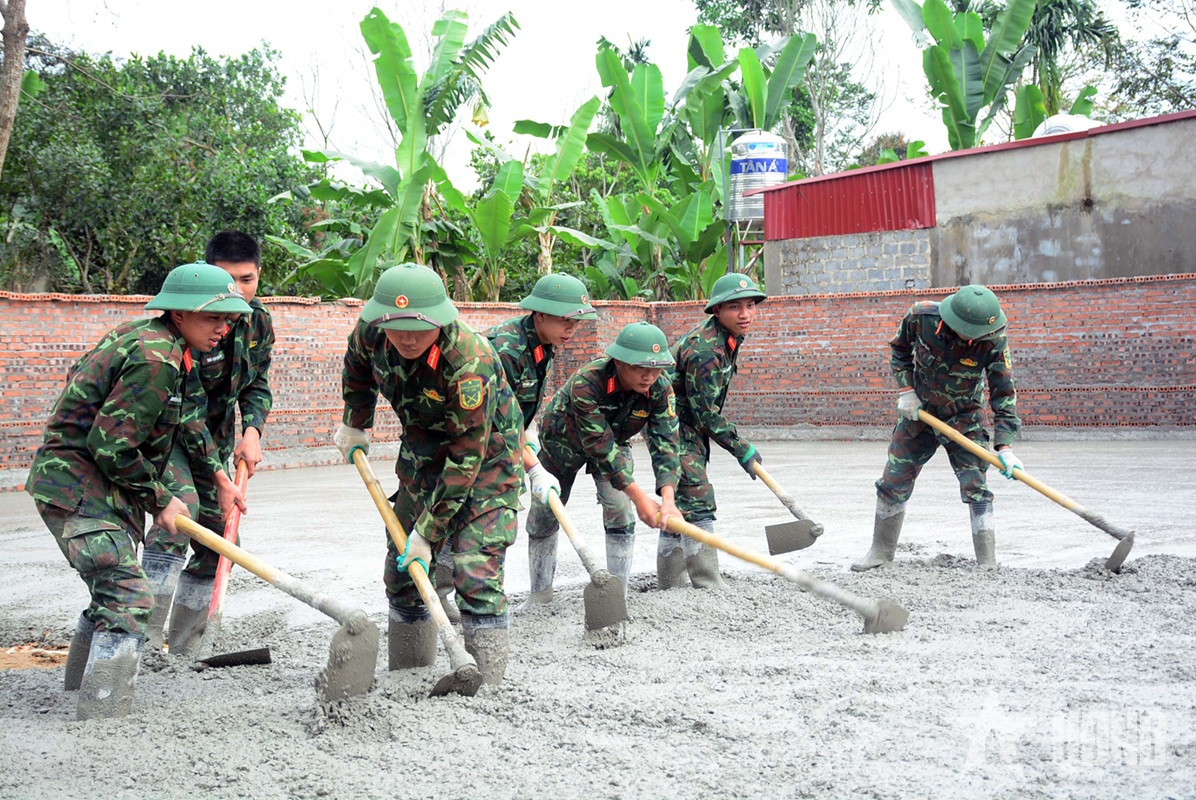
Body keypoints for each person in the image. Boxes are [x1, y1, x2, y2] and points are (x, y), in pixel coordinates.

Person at [26, 262, 251, 720]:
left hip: (95, 485)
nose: (223, 330)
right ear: (181, 314)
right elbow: (109, 445)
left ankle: (76, 693)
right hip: (75, 487)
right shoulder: (156, 359)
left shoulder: (164, 345)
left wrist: (219, 477)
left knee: (112, 589)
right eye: (214, 318)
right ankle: (102, 717)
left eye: (228, 320)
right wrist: (160, 498)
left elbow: (186, 420)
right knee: (128, 595)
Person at [333, 263, 523, 685]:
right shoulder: (370, 332)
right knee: (402, 571)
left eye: (419, 328)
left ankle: (485, 682)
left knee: (476, 568)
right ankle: (410, 670)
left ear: (441, 317)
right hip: (422, 450)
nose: (407, 338)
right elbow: (357, 368)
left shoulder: (468, 361)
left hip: (487, 459)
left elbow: (466, 458)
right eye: (397, 328)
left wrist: (428, 532)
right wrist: (356, 421)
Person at [142, 231, 275, 655]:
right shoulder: (192, 319)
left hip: (216, 437)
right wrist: (217, 474)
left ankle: (187, 647)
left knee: (219, 537)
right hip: (171, 433)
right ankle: (140, 640)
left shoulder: (259, 321)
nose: (237, 291)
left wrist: (252, 432)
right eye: (227, 279)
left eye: (247, 279)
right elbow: (186, 407)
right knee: (181, 515)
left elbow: (257, 383)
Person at [852, 284, 1022, 571]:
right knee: (893, 480)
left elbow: (1004, 393)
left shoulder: (993, 339)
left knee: (976, 486)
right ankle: (880, 550)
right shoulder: (922, 317)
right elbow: (899, 350)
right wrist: (906, 391)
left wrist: (1004, 447)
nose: (975, 339)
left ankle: (987, 561)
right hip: (920, 413)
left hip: (964, 417)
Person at [524, 322, 682, 604]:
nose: (649, 376)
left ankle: (616, 597)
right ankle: (540, 594)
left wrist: (667, 499)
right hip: (563, 443)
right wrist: (640, 497)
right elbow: (598, 443)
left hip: (615, 441)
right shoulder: (588, 381)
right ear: (619, 361)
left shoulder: (659, 388)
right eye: (639, 367)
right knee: (545, 511)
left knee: (621, 509)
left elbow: (666, 442)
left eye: (656, 368)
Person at [481, 273, 597, 615]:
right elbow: (495, 417)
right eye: (565, 320)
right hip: (474, 443)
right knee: (470, 517)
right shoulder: (508, 348)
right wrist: (534, 468)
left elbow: (518, 407)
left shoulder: (542, 345)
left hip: (505, 440)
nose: (571, 329)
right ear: (540, 315)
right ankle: (456, 599)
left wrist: (527, 431)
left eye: (576, 321)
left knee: (494, 520)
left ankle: (483, 599)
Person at [661, 272, 768, 590]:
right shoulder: (706, 349)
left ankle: (670, 583)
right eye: (736, 307)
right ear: (717, 311)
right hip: (671, 423)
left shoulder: (728, 338)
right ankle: (707, 583)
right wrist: (741, 447)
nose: (745, 314)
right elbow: (706, 414)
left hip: (688, 422)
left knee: (682, 500)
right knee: (696, 495)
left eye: (750, 305)